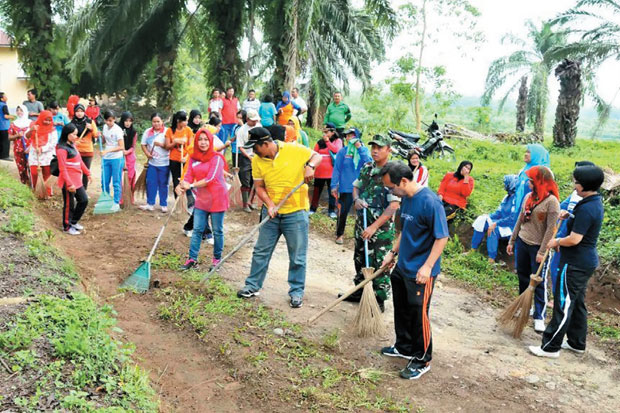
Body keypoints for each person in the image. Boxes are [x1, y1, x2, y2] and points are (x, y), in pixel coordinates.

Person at [236, 127, 322, 309]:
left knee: (297, 256)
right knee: (261, 251)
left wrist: (310, 167)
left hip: (296, 212)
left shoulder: (293, 149)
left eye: (256, 147)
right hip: (271, 212)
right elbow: (259, 186)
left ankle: (296, 292)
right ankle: (252, 286)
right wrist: (270, 204)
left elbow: (317, 156)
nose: (254, 152)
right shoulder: (258, 161)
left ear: (266, 144)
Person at [379, 161, 449, 380]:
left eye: (392, 188)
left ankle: (422, 359)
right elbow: (404, 231)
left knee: (419, 315)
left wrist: (427, 267)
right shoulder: (406, 200)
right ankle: (404, 347)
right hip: (403, 266)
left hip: (420, 271)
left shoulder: (430, 203)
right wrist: (392, 252)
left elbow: (442, 237)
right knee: (401, 308)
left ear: (404, 181)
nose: (391, 192)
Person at [529, 165, 605, 358]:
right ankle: (576, 343)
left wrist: (557, 241)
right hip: (583, 262)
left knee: (563, 303)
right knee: (577, 303)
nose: (574, 185)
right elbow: (582, 225)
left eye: (576, 182)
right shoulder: (591, 202)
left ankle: (550, 347)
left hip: (574, 263)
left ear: (583, 185)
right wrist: (569, 215)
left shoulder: (588, 208)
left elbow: (575, 239)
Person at [342, 135, 399, 311]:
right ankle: (360, 290)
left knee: (379, 262)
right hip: (362, 222)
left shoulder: (393, 173)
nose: (375, 150)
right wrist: (356, 199)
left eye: (379, 147)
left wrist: (374, 227)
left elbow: (393, 206)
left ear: (388, 149)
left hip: (380, 228)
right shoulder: (367, 168)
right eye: (373, 146)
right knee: (360, 257)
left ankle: (378, 299)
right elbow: (356, 187)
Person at [507, 166, 560, 333]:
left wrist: (542, 251)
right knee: (523, 276)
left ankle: (539, 316)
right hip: (523, 242)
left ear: (540, 182)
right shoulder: (529, 197)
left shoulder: (552, 202)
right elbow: (520, 220)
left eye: (531, 181)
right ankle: (524, 305)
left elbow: (550, 229)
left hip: (538, 247)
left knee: (539, 281)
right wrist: (512, 240)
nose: (528, 183)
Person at [177, 129, 229, 270]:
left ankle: (216, 260)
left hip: (217, 198)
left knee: (217, 230)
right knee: (198, 229)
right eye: (200, 139)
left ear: (210, 141)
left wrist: (191, 185)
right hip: (202, 199)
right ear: (196, 141)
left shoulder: (217, 158)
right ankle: (191, 259)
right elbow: (188, 175)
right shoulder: (193, 158)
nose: (203, 142)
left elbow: (211, 179)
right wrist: (182, 184)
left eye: (206, 139)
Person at [549, 161, 596, 292]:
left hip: (571, 241)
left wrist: (559, 240)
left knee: (561, 269)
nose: (575, 179)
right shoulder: (576, 194)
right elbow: (563, 207)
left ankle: (560, 297)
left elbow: (579, 226)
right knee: (555, 266)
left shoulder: (588, 201)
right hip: (564, 236)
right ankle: (558, 295)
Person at [331, 127, 371, 243]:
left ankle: (361, 236)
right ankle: (339, 234)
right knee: (343, 212)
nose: (349, 138)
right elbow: (337, 169)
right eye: (347, 136)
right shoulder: (343, 152)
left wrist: (359, 148)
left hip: (361, 188)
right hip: (346, 187)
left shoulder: (364, 150)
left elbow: (369, 162)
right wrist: (334, 185)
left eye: (352, 135)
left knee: (361, 213)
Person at [470, 175, 518, 263]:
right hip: (501, 222)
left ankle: (491, 258)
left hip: (511, 227)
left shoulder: (517, 199)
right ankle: (473, 249)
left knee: (493, 230)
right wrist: (488, 217)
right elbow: (499, 212)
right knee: (482, 221)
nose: (504, 185)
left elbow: (512, 218)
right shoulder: (507, 197)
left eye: (506, 183)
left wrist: (496, 223)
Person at [56, 123, 91, 235]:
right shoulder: (61, 149)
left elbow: (79, 161)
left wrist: (87, 172)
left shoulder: (73, 145)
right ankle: (67, 226)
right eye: (74, 134)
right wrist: (69, 184)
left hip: (77, 180)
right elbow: (63, 169)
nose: (76, 136)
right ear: (67, 134)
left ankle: (74, 221)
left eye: (76, 134)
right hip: (68, 181)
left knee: (84, 200)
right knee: (69, 205)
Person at [310, 123, 343, 216]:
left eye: (326, 132)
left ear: (332, 132)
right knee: (316, 190)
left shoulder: (338, 141)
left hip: (331, 172)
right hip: (319, 171)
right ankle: (313, 208)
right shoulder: (320, 142)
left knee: (332, 191)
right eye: (323, 132)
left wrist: (328, 142)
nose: (324, 134)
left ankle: (332, 211)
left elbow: (336, 150)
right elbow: (314, 153)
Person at [139, 113, 169, 212]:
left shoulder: (167, 131)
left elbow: (170, 146)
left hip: (165, 163)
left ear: (162, 121)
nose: (156, 124)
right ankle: (150, 203)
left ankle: (163, 204)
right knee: (151, 183)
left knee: (163, 184)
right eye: (154, 121)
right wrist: (147, 153)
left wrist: (161, 144)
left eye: (158, 121)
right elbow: (143, 144)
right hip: (152, 163)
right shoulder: (148, 132)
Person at [233, 109, 261, 212]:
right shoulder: (242, 130)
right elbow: (240, 147)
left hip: (258, 157)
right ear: (247, 119)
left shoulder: (259, 127)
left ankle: (251, 201)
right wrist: (249, 157)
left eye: (256, 120)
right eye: (253, 120)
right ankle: (245, 204)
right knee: (246, 180)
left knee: (255, 180)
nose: (255, 122)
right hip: (246, 158)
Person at [25, 110, 57, 197]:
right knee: (34, 173)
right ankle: (37, 192)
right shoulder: (33, 125)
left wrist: (42, 149)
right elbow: (26, 136)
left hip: (47, 155)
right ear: (41, 118)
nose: (47, 122)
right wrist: (32, 130)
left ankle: (47, 193)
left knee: (47, 174)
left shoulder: (52, 130)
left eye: (50, 120)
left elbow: (53, 143)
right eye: (45, 119)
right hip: (35, 154)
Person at [437, 160, 474, 227]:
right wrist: (439, 199)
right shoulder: (449, 175)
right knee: (432, 210)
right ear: (461, 166)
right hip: (444, 200)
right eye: (465, 167)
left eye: (469, 169)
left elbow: (465, 193)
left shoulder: (470, 180)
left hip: (456, 204)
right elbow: (442, 188)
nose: (466, 170)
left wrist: (466, 178)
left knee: (441, 215)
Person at [514, 143, 550, 212]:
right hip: (520, 207)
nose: (525, 154)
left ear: (537, 154)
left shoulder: (543, 173)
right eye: (526, 151)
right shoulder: (523, 170)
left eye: (529, 152)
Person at [100, 111, 125, 212]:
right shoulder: (105, 127)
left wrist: (107, 150)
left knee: (116, 181)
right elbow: (104, 140)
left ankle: (116, 203)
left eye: (112, 120)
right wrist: (100, 136)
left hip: (116, 158)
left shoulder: (118, 130)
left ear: (114, 119)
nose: (110, 122)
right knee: (104, 181)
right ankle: (106, 200)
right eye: (108, 120)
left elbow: (121, 146)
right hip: (106, 158)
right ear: (105, 120)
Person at [166, 110, 194, 197]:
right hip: (174, 160)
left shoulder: (188, 130)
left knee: (187, 180)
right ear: (178, 121)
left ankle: (189, 202)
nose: (186, 122)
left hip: (185, 160)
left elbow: (191, 146)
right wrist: (175, 142)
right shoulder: (170, 131)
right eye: (185, 120)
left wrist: (186, 157)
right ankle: (178, 201)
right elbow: (167, 146)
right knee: (176, 181)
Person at [72, 104, 99, 189]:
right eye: (77, 111)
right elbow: (69, 136)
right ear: (74, 112)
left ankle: (84, 191)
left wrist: (91, 129)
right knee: (76, 172)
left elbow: (95, 135)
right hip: (76, 151)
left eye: (81, 111)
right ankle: (76, 190)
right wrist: (75, 141)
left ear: (84, 112)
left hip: (88, 151)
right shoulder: (72, 123)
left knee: (86, 172)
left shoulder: (90, 122)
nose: (79, 113)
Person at [8, 105, 30, 184]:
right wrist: (17, 135)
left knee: (30, 167)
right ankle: (24, 183)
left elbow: (35, 136)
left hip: (29, 149)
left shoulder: (30, 123)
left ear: (25, 111)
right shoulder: (13, 124)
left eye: (21, 110)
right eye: (17, 110)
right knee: (21, 168)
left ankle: (33, 184)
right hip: (18, 150)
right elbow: (9, 137)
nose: (19, 112)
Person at [119, 111, 138, 199]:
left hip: (129, 156)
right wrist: (121, 150)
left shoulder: (134, 132)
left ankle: (129, 197)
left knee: (130, 176)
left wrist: (127, 152)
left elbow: (133, 146)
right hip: (119, 154)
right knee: (120, 178)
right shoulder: (118, 130)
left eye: (130, 121)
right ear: (123, 121)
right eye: (126, 121)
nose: (128, 123)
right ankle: (120, 198)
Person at [0, 92, 14, 160]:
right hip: (4, 126)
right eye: (5, 96)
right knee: (6, 141)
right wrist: (12, 117)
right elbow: (6, 116)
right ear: (2, 99)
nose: (6, 97)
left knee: (0, 141)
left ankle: (1, 155)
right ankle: (5, 156)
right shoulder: (3, 105)